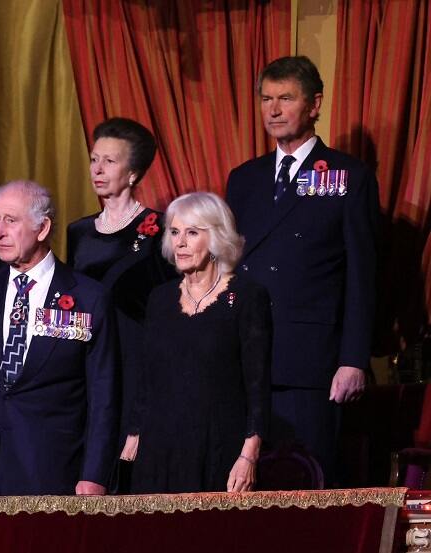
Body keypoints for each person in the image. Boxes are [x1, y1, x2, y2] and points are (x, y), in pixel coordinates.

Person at [225, 56, 379, 483]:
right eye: (266, 99)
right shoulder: (244, 178)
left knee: (305, 488)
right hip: (246, 356)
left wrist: (353, 359)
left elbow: (363, 277)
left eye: (285, 98)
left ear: (314, 105)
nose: (272, 110)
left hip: (312, 361)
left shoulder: (348, 176)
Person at [0, 180, 118, 496]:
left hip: (52, 468)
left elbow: (103, 395)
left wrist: (95, 473)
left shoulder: (88, 298)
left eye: (11, 221)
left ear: (42, 228)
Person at [121, 192, 271, 494]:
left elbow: (258, 385)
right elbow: (147, 377)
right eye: (174, 232)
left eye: (192, 233)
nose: (180, 242)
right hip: (160, 447)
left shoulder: (246, 297)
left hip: (219, 447)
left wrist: (249, 454)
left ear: (216, 237)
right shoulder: (160, 299)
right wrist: (134, 433)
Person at [66, 118, 176, 478]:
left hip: (136, 365)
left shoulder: (160, 228)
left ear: (133, 173)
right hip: (86, 364)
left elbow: (169, 317)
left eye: (110, 162)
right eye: (94, 159)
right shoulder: (78, 231)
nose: (97, 169)